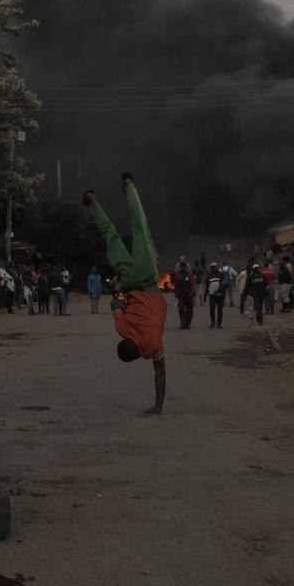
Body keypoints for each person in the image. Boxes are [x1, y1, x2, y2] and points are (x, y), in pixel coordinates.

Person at [83, 172, 167, 416]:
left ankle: (130, 185)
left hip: (148, 277)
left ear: (137, 355)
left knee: (141, 228)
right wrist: (118, 290)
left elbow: (160, 373)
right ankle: (94, 200)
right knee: (112, 234)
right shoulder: (123, 329)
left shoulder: (153, 347)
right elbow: (115, 306)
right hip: (129, 280)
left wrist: (158, 406)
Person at [173, 262, 195, 330]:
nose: (183, 268)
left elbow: (193, 284)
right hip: (181, 295)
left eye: (184, 266)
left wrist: (192, 292)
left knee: (190, 310)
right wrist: (176, 294)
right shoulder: (178, 275)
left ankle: (187, 324)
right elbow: (176, 285)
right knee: (181, 310)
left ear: (185, 267)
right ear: (180, 267)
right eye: (181, 266)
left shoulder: (189, 275)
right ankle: (183, 323)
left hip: (189, 295)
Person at [205, 263, 226, 329]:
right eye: (212, 267)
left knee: (220, 309)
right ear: (211, 268)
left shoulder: (221, 274)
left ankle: (219, 324)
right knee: (212, 309)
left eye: (215, 267)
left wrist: (223, 294)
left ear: (216, 267)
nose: (214, 268)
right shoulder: (209, 276)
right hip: (212, 295)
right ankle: (213, 323)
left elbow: (223, 285)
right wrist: (205, 296)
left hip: (220, 295)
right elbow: (207, 287)